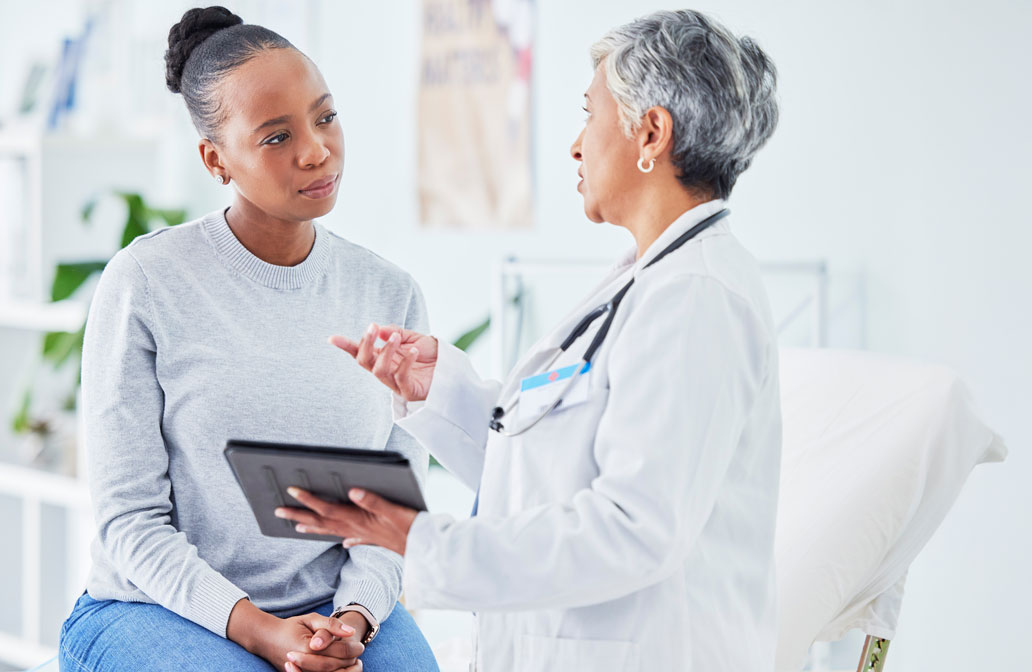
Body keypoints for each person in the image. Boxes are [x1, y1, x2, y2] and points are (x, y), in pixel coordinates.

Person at [278, 9, 783, 671]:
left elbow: (636, 530)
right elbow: (548, 476)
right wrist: (440, 392)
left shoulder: (696, 298)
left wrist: (424, 543)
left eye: (589, 113)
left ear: (651, 133)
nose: (577, 144)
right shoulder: (647, 283)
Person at [58, 7, 438, 672]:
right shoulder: (147, 283)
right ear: (215, 159)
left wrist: (354, 618)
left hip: (328, 602)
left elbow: (392, 510)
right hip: (152, 608)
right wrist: (260, 631)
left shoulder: (389, 293)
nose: (316, 149)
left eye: (325, 117)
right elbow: (130, 522)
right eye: (275, 137)